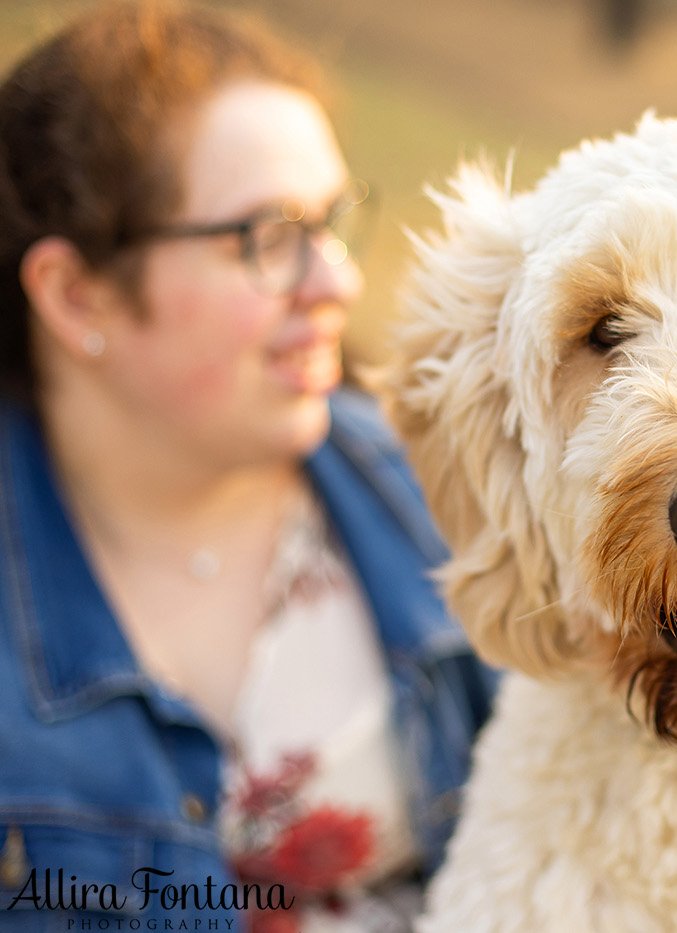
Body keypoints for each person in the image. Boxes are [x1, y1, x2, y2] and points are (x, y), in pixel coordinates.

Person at [0, 3, 496, 930]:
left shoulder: (447, 492)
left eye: (333, 224)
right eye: (268, 238)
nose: (336, 282)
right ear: (74, 295)